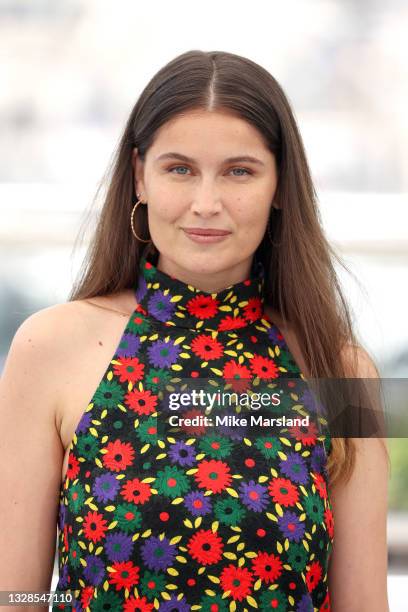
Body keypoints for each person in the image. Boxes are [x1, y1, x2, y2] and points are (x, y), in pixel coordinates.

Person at [0, 49, 390, 611]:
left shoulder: (345, 371)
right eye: (179, 168)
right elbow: (17, 595)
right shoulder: (49, 348)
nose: (206, 204)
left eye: (239, 171)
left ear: (280, 185)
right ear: (140, 176)